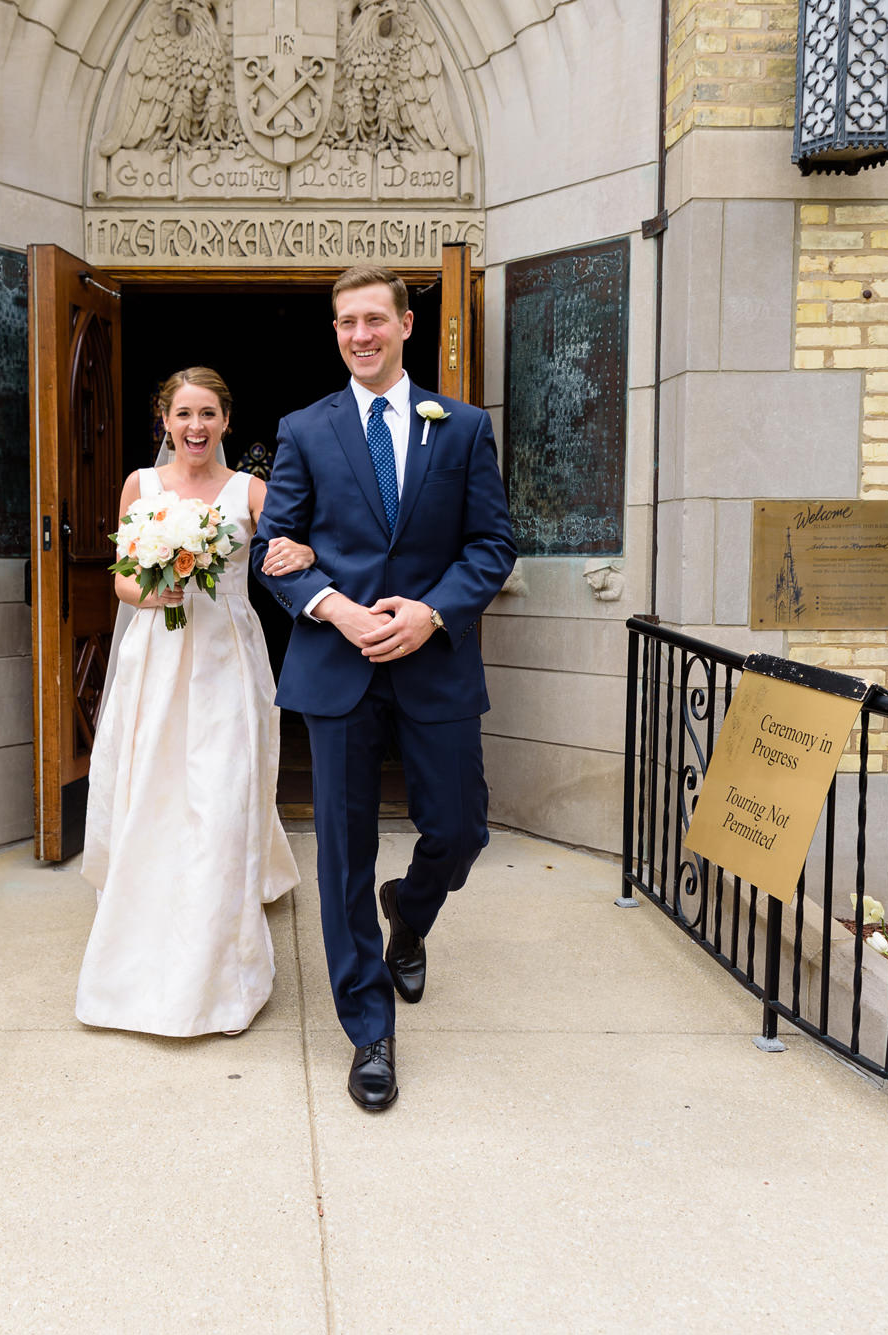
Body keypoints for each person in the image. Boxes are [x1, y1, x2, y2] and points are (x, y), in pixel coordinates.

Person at [252, 265, 516, 1111]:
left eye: (374, 319)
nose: (359, 335)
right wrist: (334, 606)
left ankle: (410, 911)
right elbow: (277, 547)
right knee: (342, 852)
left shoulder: (465, 427)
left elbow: (491, 546)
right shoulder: (304, 428)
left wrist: (432, 613)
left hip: (434, 662)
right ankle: (369, 1028)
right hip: (339, 669)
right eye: (344, 323)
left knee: (461, 827)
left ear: (407, 325)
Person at [76, 367, 317, 1037]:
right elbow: (123, 580)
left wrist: (301, 547)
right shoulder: (141, 486)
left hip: (226, 662)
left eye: (208, 413)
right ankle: (141, 930)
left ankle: (220, 970)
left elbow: (290, 552)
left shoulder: (251, 491)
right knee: (153, 790)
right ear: (165, 419)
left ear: (227, 421)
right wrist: (155, 592)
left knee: (220, 797)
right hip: (155, 658)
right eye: (183, 413)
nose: (196, 426)